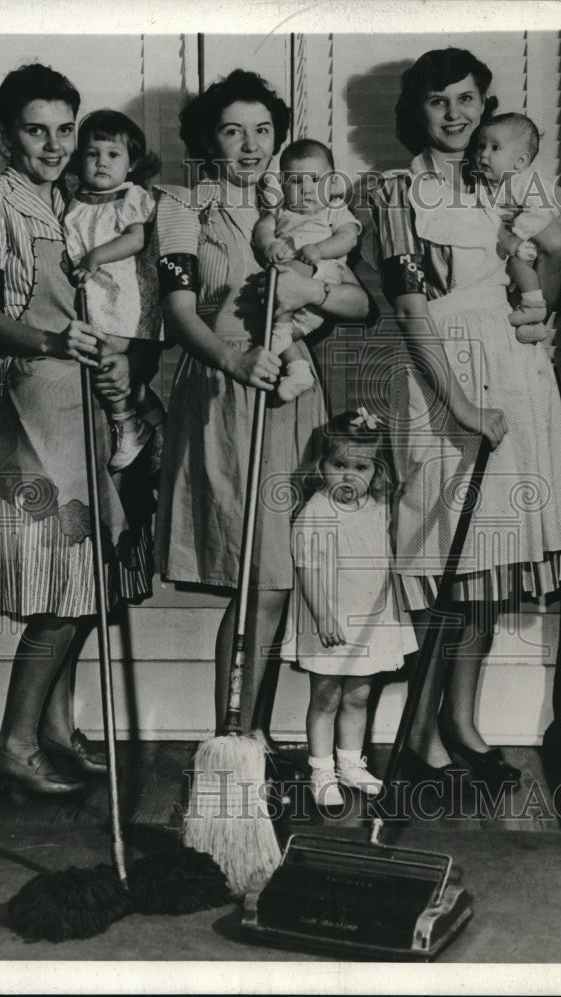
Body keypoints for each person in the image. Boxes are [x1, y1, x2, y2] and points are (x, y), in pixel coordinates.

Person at [366, 48, 561, 790]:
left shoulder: (514, 178)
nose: (455, 114)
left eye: (467, 99)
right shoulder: (395, 193)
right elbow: (406, 307)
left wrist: (546, 263)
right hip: (442, 381)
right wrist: (458, 402)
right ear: (417, 111)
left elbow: (545, 290)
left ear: (484, 105)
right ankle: (418, 740)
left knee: (489, 564)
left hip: (517, 378)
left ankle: (462, 725)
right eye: (438, 101)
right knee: (442, 564)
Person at [0, 64, 157, 796]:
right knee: (57, 592)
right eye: (36, 130)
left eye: (64, 129)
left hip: (94, 406)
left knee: (90, 586)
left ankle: (57, 732)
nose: (55, 143)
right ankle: (11, 746)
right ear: (7, 135)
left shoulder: (74, 199)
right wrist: (49, 343)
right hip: (40, 410)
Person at [153, 69, 370, 737]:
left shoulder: (303, 209)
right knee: (261, 581)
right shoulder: (183, 208)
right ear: (206, 139)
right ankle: (235, 741)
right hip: (226, 395)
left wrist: (313, 296)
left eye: (262, 131)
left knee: (279, 578)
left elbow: (360, 304)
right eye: (231, 130)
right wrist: (235, 359)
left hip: (292, 402)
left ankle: (244, 737)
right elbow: (179, 310)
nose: (249, 145)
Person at [280, 409, 417, 807]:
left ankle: (350, 764)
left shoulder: (377, 508)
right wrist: (323, 615)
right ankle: (321, 770)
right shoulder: (317, 513)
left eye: (360, 467)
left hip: (368, 621)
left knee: (358, 697)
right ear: (320, 465)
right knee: (326, 698)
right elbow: (306, 568)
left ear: (376, 472)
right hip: (329, 619)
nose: (348, 476)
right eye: (338, 464)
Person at [64, 109, 166, 471]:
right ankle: (154, 419)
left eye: (113, 154)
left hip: (125, 298)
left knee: (108, 364)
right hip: (96, 299)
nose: (101, 162)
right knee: (114, 368)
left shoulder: (130, 196)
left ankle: (129, 425)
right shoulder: (76, 201)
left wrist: (95, 256)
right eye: (92, 154)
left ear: (131, 162)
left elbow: (136, 239)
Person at [253, 138, 362, 401]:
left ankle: (289, 355)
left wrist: (321, 249)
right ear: (281, 184)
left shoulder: (334, 209)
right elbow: (262, 230)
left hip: (322, 273)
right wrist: (269, 245)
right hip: (290, 303)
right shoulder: (279, 212)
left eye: (315, 179)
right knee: (275, 336)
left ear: (332, 182)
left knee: (278, 301)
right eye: (295, 181)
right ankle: (299, 370)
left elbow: (349, 237)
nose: (306, 189)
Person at [472, 112, 561, 344]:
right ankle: (534, 325)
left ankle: (533, 309)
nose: (483, 154)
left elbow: (539, 214)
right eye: (481, 146)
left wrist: (516, 237)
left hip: (554, 249)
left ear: (520, 162)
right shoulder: (492, 184)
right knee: (516, 266)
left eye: (495, 148)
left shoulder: (522, 182)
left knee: (517, 262)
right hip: (537, 247)